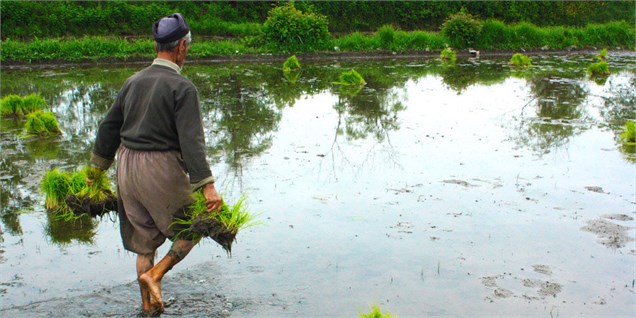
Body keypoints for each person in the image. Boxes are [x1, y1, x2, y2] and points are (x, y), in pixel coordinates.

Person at [88, 13, 222, 315]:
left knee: (144, 243)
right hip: (158, 168)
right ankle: (156, 275)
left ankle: (148, 307)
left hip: (126, 166)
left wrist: (95, 170)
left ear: (156, 45)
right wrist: (207, 186)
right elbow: (192, 142)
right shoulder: (182, 87)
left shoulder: (133, 81)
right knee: (196, 226)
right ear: (182, 48)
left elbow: (109, 127)